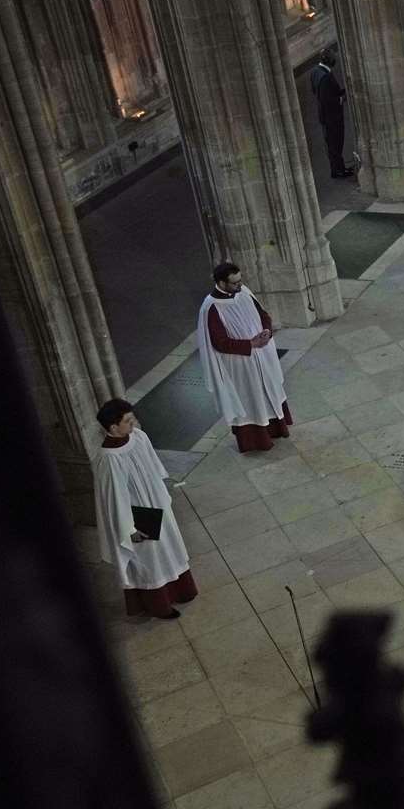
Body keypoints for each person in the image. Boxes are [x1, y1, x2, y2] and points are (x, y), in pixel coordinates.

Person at [92, 399, 196, 619]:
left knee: (170, 547)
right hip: (138, 514)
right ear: (113, 428)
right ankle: (159, 606)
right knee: (151, 559)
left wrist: (162, 498)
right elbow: (114, 500)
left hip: (156, 502)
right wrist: (129, 529)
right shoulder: (108, 459)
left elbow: (154, 467)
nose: (134, 423)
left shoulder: (139, 437)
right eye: (128, 421)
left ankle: (181, 590)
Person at [197, 262, 293, 452]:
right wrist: (250, 344)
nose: (239, 286)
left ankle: (277, 429)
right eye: (234, 283)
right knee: (251, 398)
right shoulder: (211, 307)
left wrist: (266, 330)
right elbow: (219, 342)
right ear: (222, 283)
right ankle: (258, 440)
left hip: (262, 354)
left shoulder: (244, 292)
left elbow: (263, 314)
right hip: (240, 363)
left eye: (240, 281)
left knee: (269, 390)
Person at [309, 48, 354, 181]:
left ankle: (338, 168)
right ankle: (338, 171)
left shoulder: (315, 71)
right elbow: (329, 100)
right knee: (336, 143)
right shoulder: (326, 77)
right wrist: (342, 98)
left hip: (324, 115)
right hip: (332, 117)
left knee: (331, 144)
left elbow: (316, 92)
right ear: (330, 61)